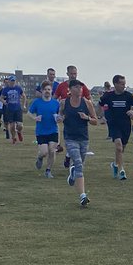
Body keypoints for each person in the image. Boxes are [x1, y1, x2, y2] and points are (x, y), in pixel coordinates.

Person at [59, 79, 97, 207]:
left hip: (83, 138)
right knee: (79, 164)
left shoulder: (87, 103)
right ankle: (83, 196)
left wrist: (86, 118)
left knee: (79, 164)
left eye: (80, 87)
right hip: (70, 138)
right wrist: (60, 118)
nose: (79, 90)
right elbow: (60, 116)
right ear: (70, 89)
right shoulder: (64, 103)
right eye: (76, 87)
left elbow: (95, 120)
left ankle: (73, 172)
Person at [99, 74, 133, 179]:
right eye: (121, 84)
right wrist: (102, 116)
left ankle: (115, 164)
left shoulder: (128, 96)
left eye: (124, 84)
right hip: (114, 124)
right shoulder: (108, 95)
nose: (123, 86)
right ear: (115, 84)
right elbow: (100, 104)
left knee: (121, 149)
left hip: (125, 125)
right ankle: (122, 170)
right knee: (118, 146)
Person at [29, 82, 61, 176]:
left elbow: (60, 115)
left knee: (52, 150)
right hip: (41, 131)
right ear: (42, 91)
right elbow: (29, 113)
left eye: (49, 89)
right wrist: (34, 118)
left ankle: (48, 170)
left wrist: (59, 118)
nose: (47, 91)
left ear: (51, 91)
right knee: (44, 152)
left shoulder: (55, 103)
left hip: (53, 130)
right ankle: (39, 157)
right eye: (45, 89)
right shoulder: (37, 102)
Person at [1, 75, 26, 144]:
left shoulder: (18, 88)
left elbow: (24, 96)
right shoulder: (5, 89)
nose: (12, 82)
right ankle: (13, 137)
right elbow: (1, 97)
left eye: (14, 81)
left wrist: (23, 105)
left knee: (20, 125)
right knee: (12, 125)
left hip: (17, 109)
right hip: (10, 109)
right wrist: (4, 102)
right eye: (11, 81)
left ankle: (19, 132)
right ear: (8, 81)